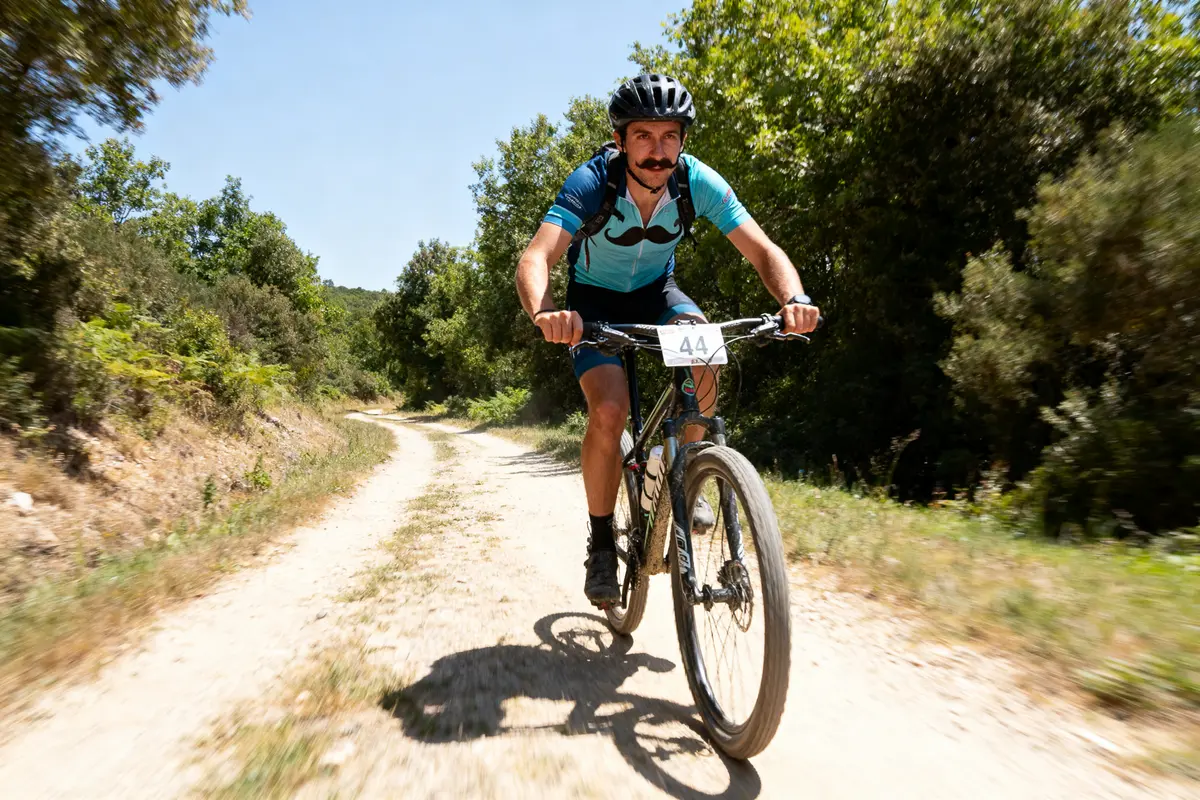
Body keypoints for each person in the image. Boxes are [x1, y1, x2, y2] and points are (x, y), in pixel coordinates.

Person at [515, 73, 820, 607]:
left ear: (683, 139)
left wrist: (793, 298)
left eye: (669, 137)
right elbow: (536, 256)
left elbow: (762, 248)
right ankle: (604, 542)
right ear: (620, 140)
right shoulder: (593, 182)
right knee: (609, 411)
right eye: (643, 137)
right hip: (593, 305)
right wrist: (545, 313)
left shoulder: (695, 181)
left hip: (659, 293)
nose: (657, 152)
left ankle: (681, 463)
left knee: (707, 354)